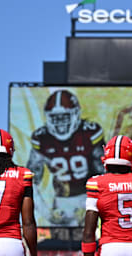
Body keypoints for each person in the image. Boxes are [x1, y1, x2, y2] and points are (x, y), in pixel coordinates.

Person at [27, 89, 105, 226]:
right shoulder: (42, 139)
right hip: (61, 201)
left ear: (76, 114)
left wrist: (95, 203)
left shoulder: (89, 133)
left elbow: (105, 176)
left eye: (65, 117)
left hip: (90, 195)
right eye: (55, 118)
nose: (60, 123)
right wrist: (47, 213)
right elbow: (31, 182)